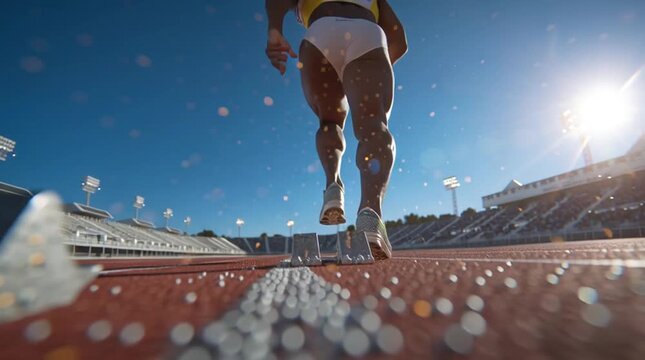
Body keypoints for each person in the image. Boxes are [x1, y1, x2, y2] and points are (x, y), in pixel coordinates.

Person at [265, 0, 407, 259]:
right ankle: (370, 215)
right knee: (374, 124)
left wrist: (274, 29)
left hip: (319, 36)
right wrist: (374, 69)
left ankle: (333, 185)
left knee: (329, 122)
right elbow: (398, 35)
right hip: (367, 32)